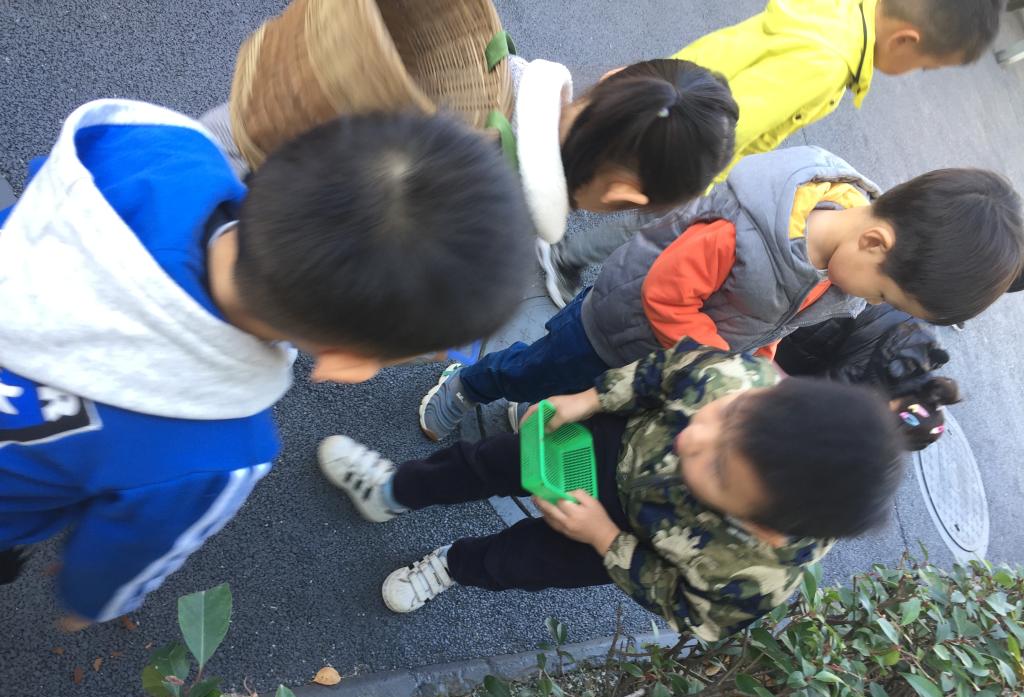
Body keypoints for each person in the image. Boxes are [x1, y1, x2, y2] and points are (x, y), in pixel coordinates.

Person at [0, 100, 535, 626]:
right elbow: (115, 565)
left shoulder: (155, 142)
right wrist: (87, 604)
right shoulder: (215, 452)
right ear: (346, 366)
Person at [417, 146, 1024, 442]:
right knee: (540, 365)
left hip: (668, 352)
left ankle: (536, 398)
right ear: (874, 241)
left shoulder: (842, 271)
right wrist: (721, 364)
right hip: (615, 324)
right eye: (887, 293)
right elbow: (664, 298)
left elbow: (777, 321)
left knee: (581, 389)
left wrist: (762, 362)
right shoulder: (745, 234)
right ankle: (469, 386)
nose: (875, 304)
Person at [318, 344, 904, 640]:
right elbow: (662, 373)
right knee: (482, 463)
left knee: (521, 562)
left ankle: (450, 565)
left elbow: (685, 607)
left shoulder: (755, 576)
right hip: (607, 445)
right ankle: (392, 490)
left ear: (763, 527)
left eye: (721, 470)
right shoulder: (739, 380)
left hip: (623, 541)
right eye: (729, 414)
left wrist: (604, 539)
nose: (694, 435)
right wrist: (588, 400)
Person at [538, 0, 1007, 307]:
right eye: (924, 64)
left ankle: (559, 185)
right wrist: (702, 181)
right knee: (645, 209)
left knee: (601, 148)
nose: (915, 71)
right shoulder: (825, 64)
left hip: (684, 86)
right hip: (691, 144)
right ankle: (565, 256)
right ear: (906, 40)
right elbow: (743, 119)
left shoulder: (843, 13)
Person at [202, 57, 740, 302]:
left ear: (612, 78)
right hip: (238, 250)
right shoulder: (491, 216)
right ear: (623, 195)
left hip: (219, 141)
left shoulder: (490, 62)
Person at [775, 303, 961, 450]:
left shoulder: (921, 358)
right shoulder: (870, 382)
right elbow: (806, 398)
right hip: (802, 327)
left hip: (832, 305)